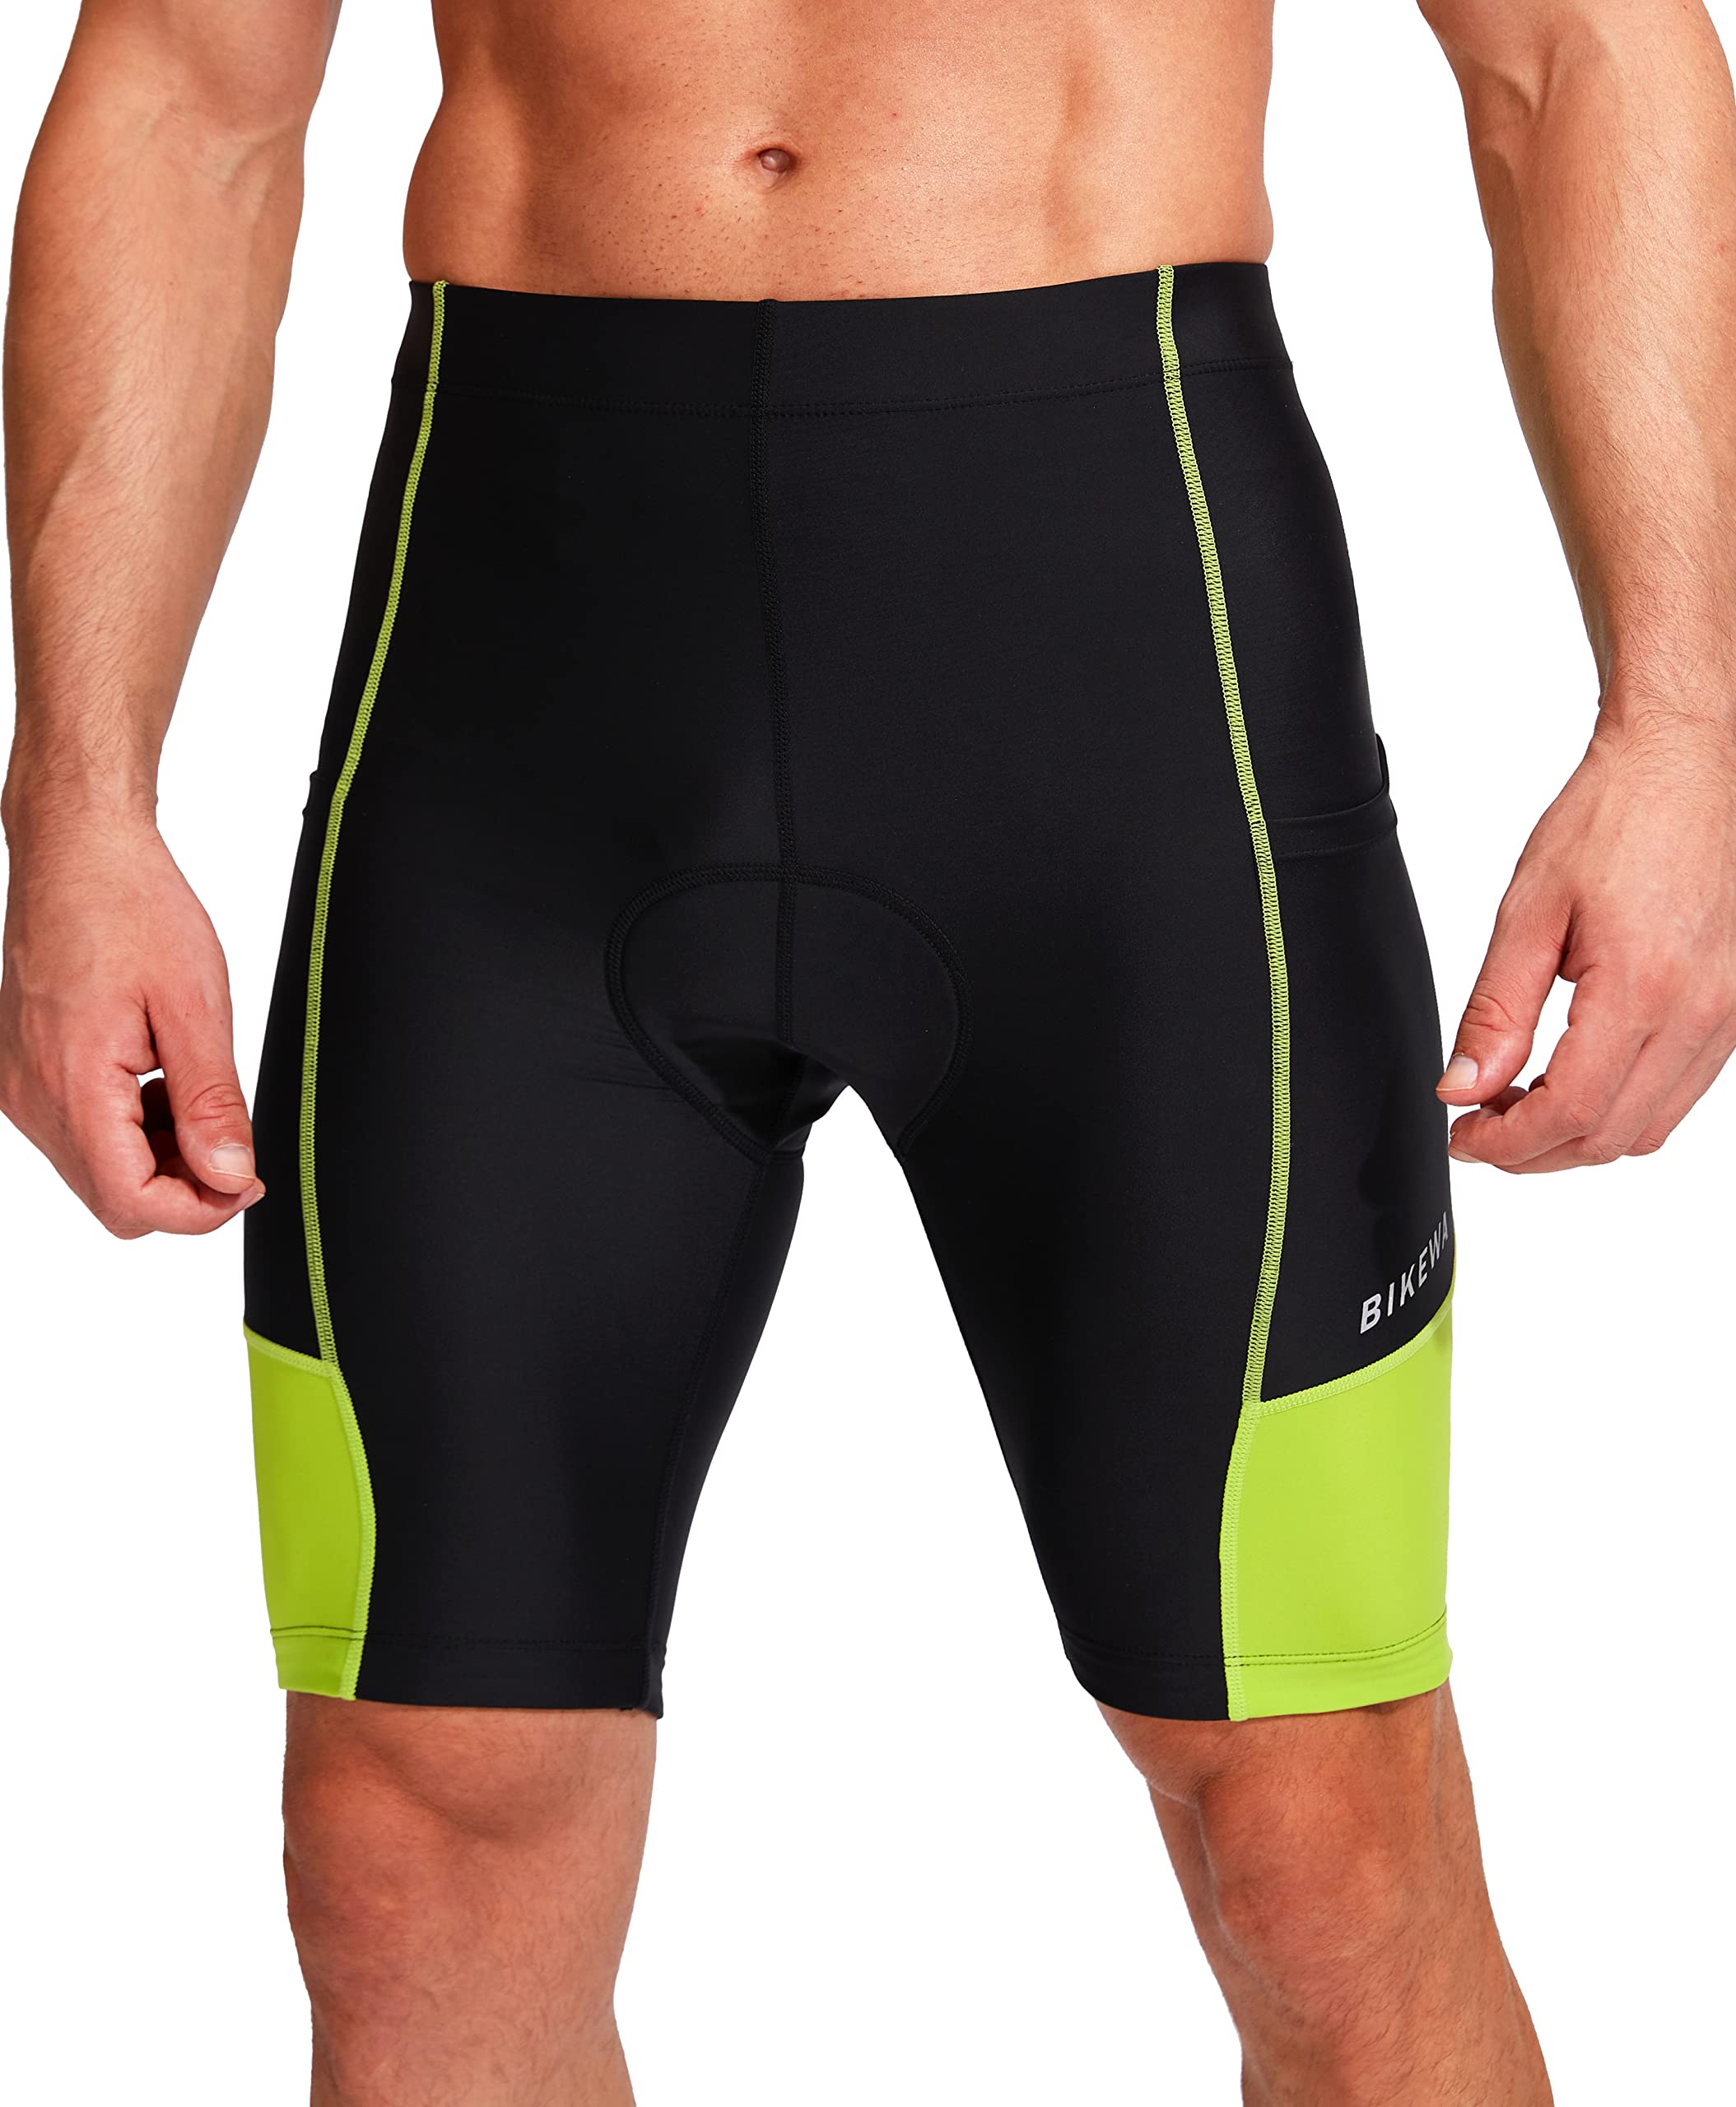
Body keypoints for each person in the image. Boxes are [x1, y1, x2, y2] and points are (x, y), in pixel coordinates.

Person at [5, 0, 1734, 2098]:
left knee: (1313, 1825)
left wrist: (1684, 729)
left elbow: (1577, 50)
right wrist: (77, 805)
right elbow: (188, 89)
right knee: (408, 1832)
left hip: (1118, 636)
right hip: (517, 686)